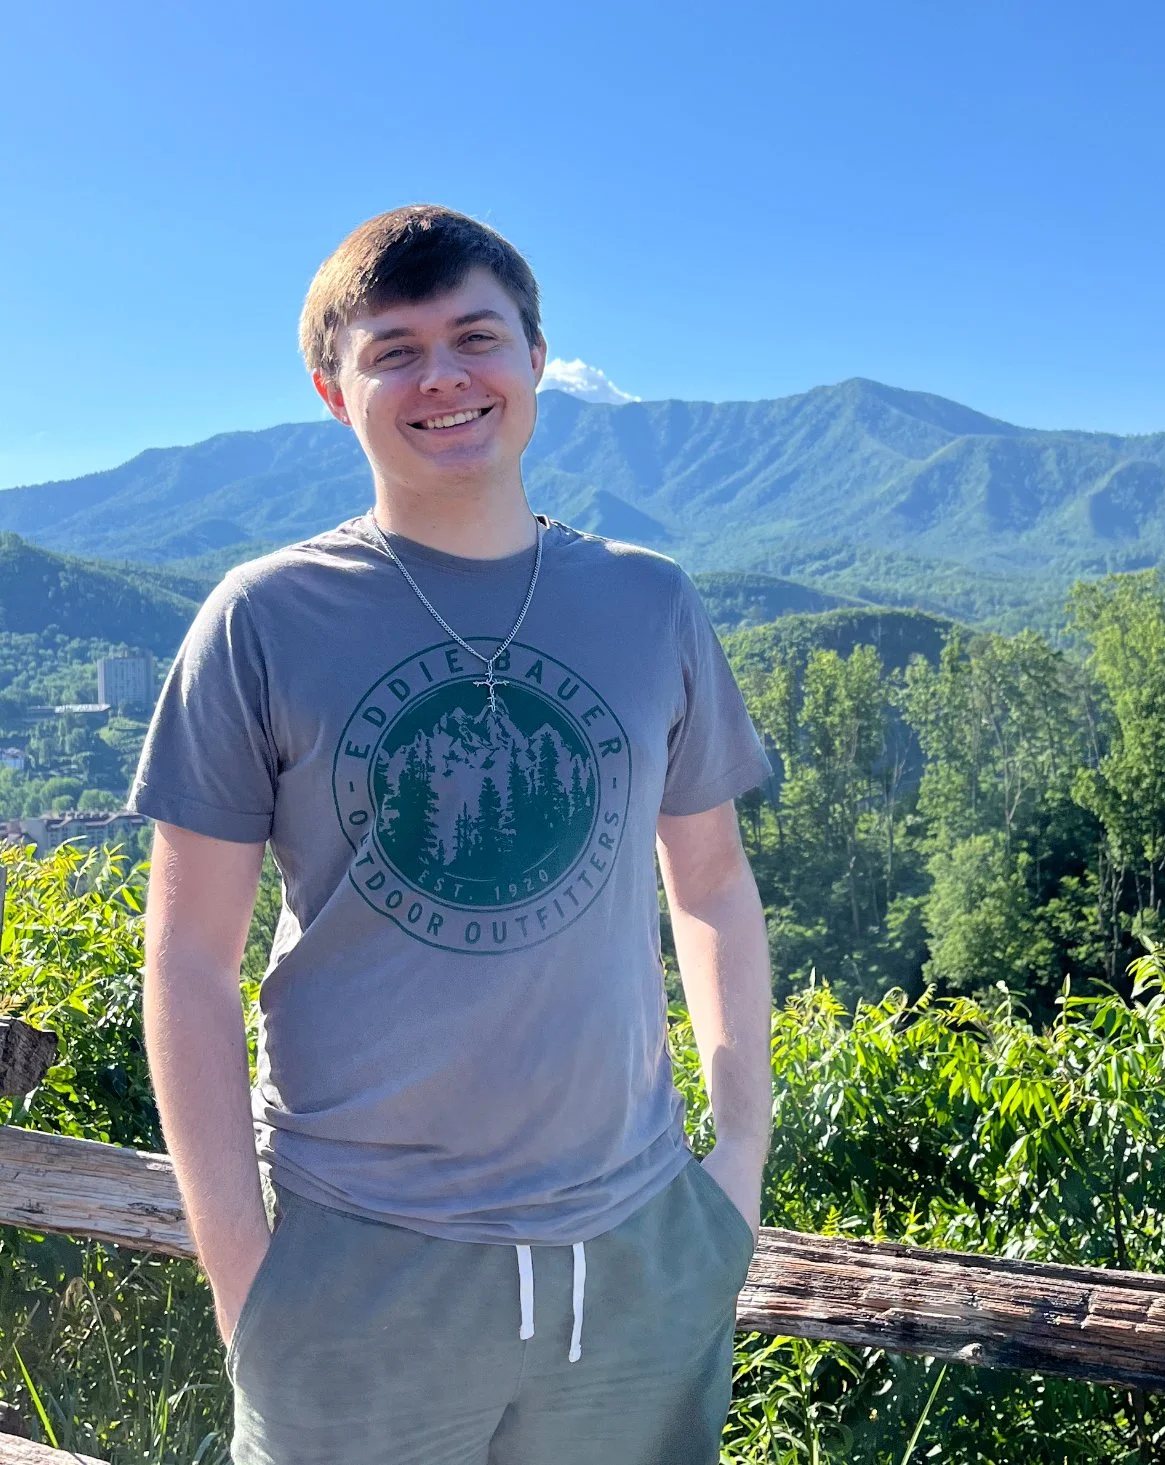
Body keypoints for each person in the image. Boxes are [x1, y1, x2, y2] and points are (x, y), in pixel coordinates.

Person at [130, 203, 774, 1465]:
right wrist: (244, 1276)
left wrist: (737, 1154)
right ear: (334, 390)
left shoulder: (650, 602)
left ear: (537, 357)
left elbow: (709, 882)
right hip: (355, 1258)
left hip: (639, 1248)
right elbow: (188, 966)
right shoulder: (261, 619)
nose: (444, 377)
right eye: (395, 350)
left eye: (475, 336)